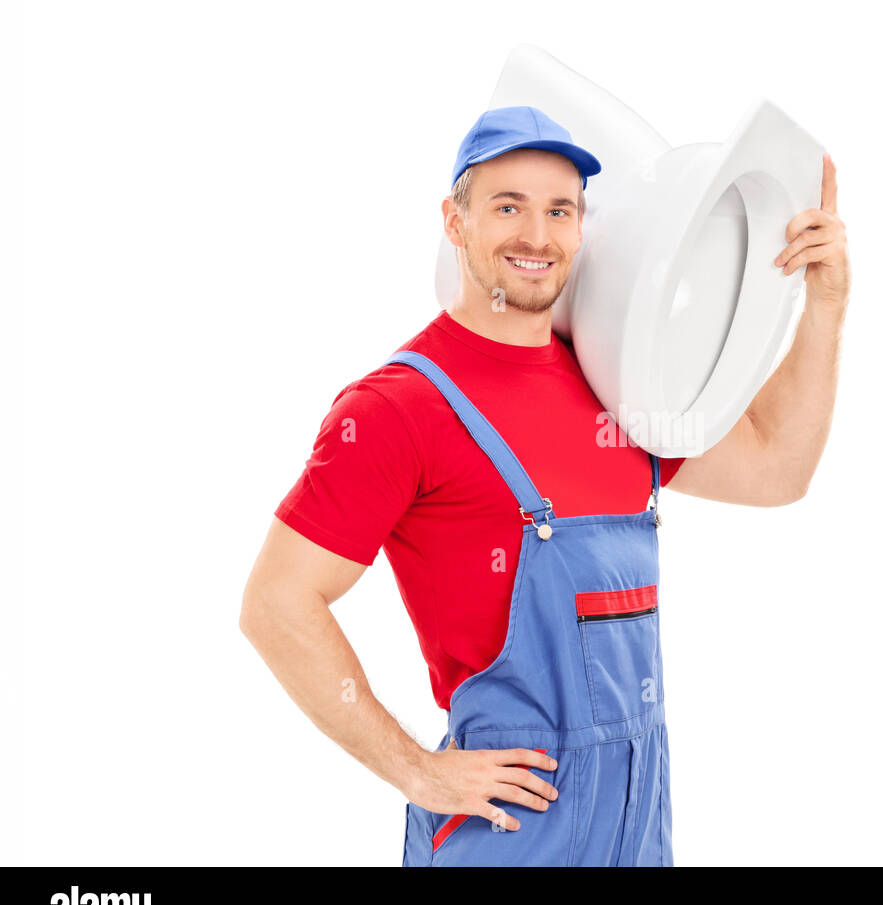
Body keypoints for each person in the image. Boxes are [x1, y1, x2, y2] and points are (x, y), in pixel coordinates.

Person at [238, 105, 851, 866]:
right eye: (507, 207)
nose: (537, 235)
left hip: (639, 815)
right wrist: (417, 772)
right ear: (454, 222)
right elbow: (275, 602)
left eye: (559, 210)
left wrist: (823, 306)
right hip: (516, 826)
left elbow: (775, 469)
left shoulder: (615, 380)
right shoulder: (398, 408)